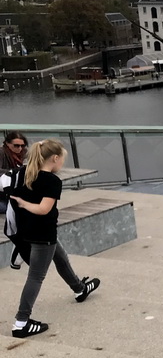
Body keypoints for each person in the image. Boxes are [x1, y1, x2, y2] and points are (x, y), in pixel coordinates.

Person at [7, 139, 101, 339]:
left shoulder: (24, 173)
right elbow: (43, 209)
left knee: (60, 257)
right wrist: (24, 204)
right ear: (55, 159)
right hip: (43, 233)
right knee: (36, 276)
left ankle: (80, 289)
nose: (62, 165)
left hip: (27, 230)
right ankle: (21, 323)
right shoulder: (52, 181)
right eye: (62, 160)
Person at [1, 132, 29, 269]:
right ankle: (20, 249)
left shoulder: (24, 154)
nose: (19, 148)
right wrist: (16, 172)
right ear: (7, 143)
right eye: (16, 145)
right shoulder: (2, 153)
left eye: (22, 146)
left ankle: (20, 249)